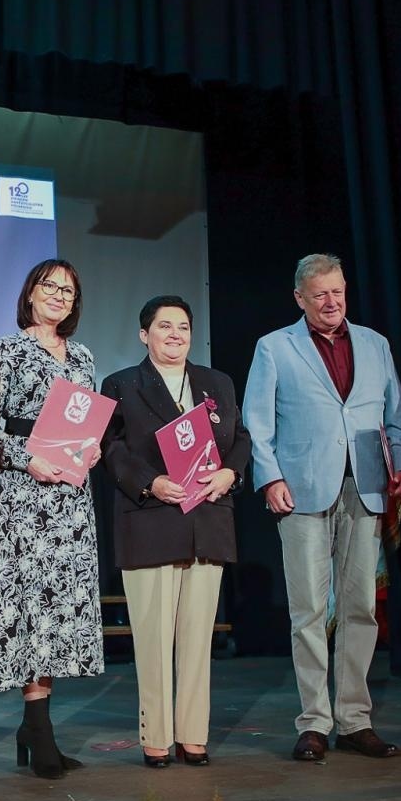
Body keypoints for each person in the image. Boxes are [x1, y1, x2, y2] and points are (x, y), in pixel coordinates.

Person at [242, 253, 401, 763]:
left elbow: (397, 415)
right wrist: (269, 476)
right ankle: (315, 722)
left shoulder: (375, 344)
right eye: (320, 294)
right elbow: (258, 422)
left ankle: (355, 720)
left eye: (338, 291)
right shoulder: (275, 347)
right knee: (309, 612)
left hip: (364, 488)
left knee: (361, 607)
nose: (331, 301)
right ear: (300, 298)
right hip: (301, 490)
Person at [100, 296, 250, 767]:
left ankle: (193, 734)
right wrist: (149, 483)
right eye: (164, 326)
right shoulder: (122, 384)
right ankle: (156, 736)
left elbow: (240, 439)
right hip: (151, 521)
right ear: (144, 335)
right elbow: (112, 448)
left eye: (183, 326)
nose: (175, 334)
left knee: (197, 639)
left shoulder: (216, 383)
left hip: (207, 520)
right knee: (153, 639)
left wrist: (230, 474)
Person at [0, 259, 101, 779]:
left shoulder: (83, 356)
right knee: (31, 603)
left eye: (68, 291)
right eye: (49, 286)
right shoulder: (5, 350)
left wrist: (92, 450)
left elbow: (88, 421)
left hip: (72, 496)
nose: (58, 295)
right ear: (31, 293)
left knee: (60, 609)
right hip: (24, 489)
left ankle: (38, 723)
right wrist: (26, 457)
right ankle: (37, 728)